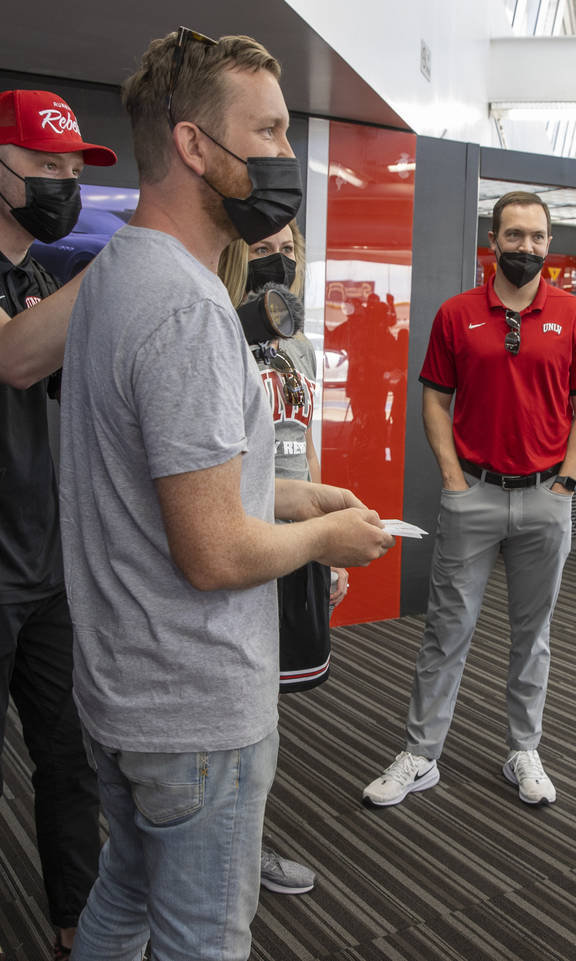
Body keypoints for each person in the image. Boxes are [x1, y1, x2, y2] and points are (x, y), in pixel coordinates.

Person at [57, 29, 393, 961]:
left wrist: (293, 497)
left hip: (125, 693)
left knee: (123, 898)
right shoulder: (187, 308)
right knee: (205, 936)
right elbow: (211, 552)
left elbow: (164, 481)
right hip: (193, 706)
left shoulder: (118, 275)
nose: (288, 157)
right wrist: (328, 543)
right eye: (273, 132)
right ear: (197, 145)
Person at [362, 190, 576, 810]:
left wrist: (568, 484)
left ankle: (524, 748)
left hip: (546, 498)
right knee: (447, 630)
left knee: (534, 633)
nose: (527, 247)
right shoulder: (457, 314)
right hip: (472, 494)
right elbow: (434, 400)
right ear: (493, 241)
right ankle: (421, 754)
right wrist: (450, 477)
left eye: (538, 237)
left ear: (549, 244)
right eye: (516, 235)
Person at [0, 87, 115, 961]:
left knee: (70, 759)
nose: (62, 186)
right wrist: (137, 258)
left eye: (72, 171)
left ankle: (80, 924)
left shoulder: (36, 275)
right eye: (45, 167)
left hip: (44, 567)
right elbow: (15, 358)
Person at [218, 222, 348, 898]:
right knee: (231, 714)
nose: (281, 258)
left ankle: (245, 842)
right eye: (265, 246)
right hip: (234, 542)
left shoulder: (296, 344)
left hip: (294, 539)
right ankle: (222, 855)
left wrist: (328, 538)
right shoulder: (217, 333)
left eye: (291, 248)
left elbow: (303, 443)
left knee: (267, 712)